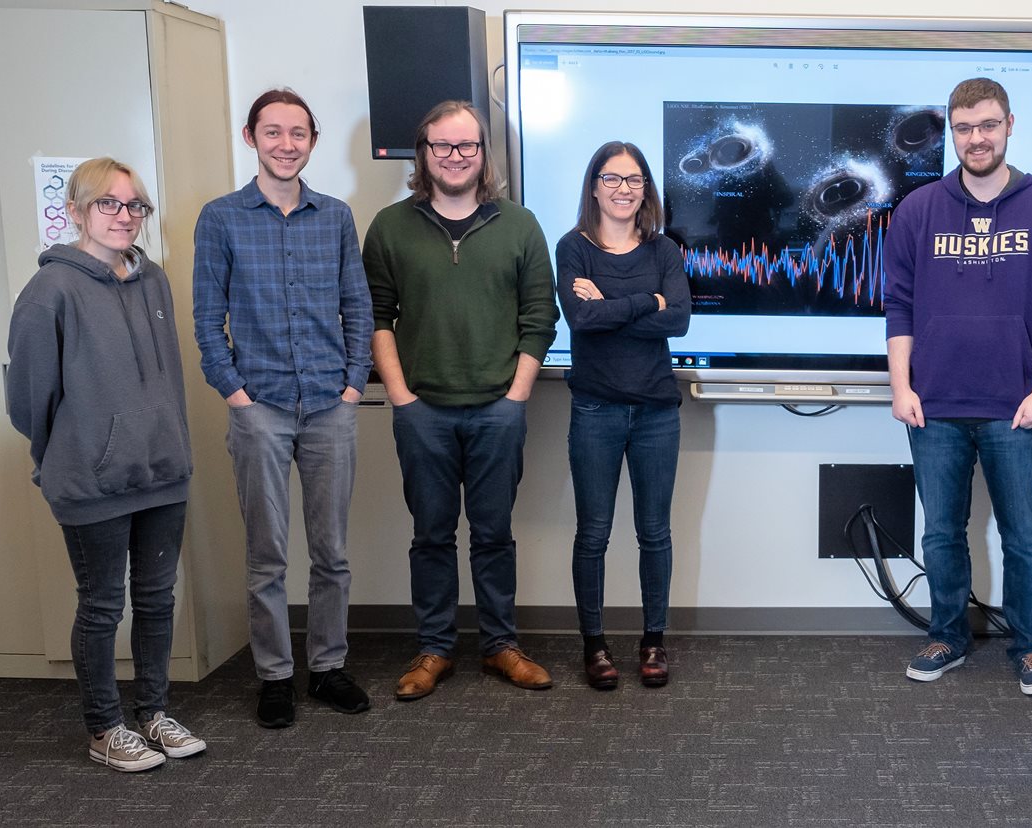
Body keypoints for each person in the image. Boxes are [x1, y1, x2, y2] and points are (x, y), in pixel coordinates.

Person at [884, 77, 1032, 696]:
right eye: (965, 127)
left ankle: (1030, 647)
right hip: (934, 403)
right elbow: (899, 305)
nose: (977, 138)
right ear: (952, 132)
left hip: (1015, 405)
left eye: (988, 125)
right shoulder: (919, 210)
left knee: (1024, 535)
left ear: (1008, 126)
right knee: (941, 532)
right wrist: (901, 386)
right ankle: (947, 633)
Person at [7, 158, 205, 771]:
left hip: (163, 472)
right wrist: (73, 450)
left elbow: (169, 379)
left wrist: (168, 438)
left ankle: (153, 712)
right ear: (77, 211)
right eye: (109, 204)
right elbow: (27, 401)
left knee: (156, 599)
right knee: (101, 607)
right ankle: (105, 727)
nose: (124, 217)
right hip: (92, 480)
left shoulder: (155, 282)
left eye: (134, 206)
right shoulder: (50, 291)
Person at [364, 100, 560, 700]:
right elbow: (375, 316)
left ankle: (501, 646)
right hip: (422, 412)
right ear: (423, 153)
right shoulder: (390, 227)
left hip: (498, 410)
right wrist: (400, 397)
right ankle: (434, 649)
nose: (455, 157)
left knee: (494, 533)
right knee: (431, 534)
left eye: (467, 146)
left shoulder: (520, 225)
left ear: (483, 155)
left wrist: (516, 396)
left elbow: (539, 317)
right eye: (442, 146)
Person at [193, 88, 374, 728]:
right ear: (252, 139)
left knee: (332, 552)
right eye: (273, 132)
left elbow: (359, 306)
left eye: (298, 133)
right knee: (267, 555)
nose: (286, 144)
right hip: (260, 406)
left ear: (312, 142)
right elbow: (206, 320)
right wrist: (236, 396)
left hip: (330, 404)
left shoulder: (336, 217)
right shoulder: (220, 218)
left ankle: (326, 668)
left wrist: (354, 385)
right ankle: (274, 675)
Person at [555, 141, 691, 690]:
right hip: (595, 409)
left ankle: (653, 642)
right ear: (593, 186)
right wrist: (646, 303)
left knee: (654, 533)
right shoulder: (573, 248)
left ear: (646, 190)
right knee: (594, 534)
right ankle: (595, 646)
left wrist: (613, 304)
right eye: (612, 179)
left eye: (634, 180)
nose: (623, 189)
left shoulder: (664, 252)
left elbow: (679, 321)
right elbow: (581, 320)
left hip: (657, 411)